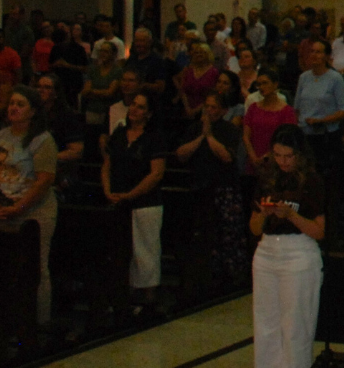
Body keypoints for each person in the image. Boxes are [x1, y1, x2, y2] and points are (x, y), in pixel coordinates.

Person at [250, 126, 326, 368]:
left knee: (295, 330)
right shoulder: (266, 177)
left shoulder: (312, 181)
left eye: (288, 156)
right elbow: (253, 228)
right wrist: (264, 213)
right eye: (278, 155)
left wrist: (291, 215)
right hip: (267, 251)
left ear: (299, 155)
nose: (282, 161)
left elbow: (319, 231)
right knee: (266, 329)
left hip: (299, 253)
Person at [0, 87, 59, 327]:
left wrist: (19, 207)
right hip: (1, 209)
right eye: (12, 103)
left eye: (20, 104)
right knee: (2, 266)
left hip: (34, 212)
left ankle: (38, 321)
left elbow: (44, 180)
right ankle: (4, 319)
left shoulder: (42, 140)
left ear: (33, 111)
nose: (13, 108)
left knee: (35, 266)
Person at [174, 91, 246, 290]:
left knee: (226, 234)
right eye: (206, 106)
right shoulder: (194, 129)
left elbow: (226, 157)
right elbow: (181, 154)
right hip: (198, 187)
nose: (208, 110)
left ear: (223, 110)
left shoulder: (229, 130)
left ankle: (230, 277)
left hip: (224, 188)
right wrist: (201, 137)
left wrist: (210, 136)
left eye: (213, 107)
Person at [105, 93, 168, 317]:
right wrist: (108, 191)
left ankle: (149, 297)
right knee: (122, 250)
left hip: (145, 202)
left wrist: (131, 194)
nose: (134, 109)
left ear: (148, 113)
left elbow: (156, 173)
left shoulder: (154, 138)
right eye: (133, 104)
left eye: (141, 107)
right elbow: (107, 164)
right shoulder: (119, 134)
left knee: (145, 250)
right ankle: (124, 296)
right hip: (119, 201)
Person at [290, 41, 344, 175]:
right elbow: (297, 107)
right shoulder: (304, 77)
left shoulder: (335, 78)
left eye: (318, 52)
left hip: (326, 135)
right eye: (312, 51)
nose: (314, 55)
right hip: (305, 134)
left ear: (327, 56)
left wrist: (322, 120)